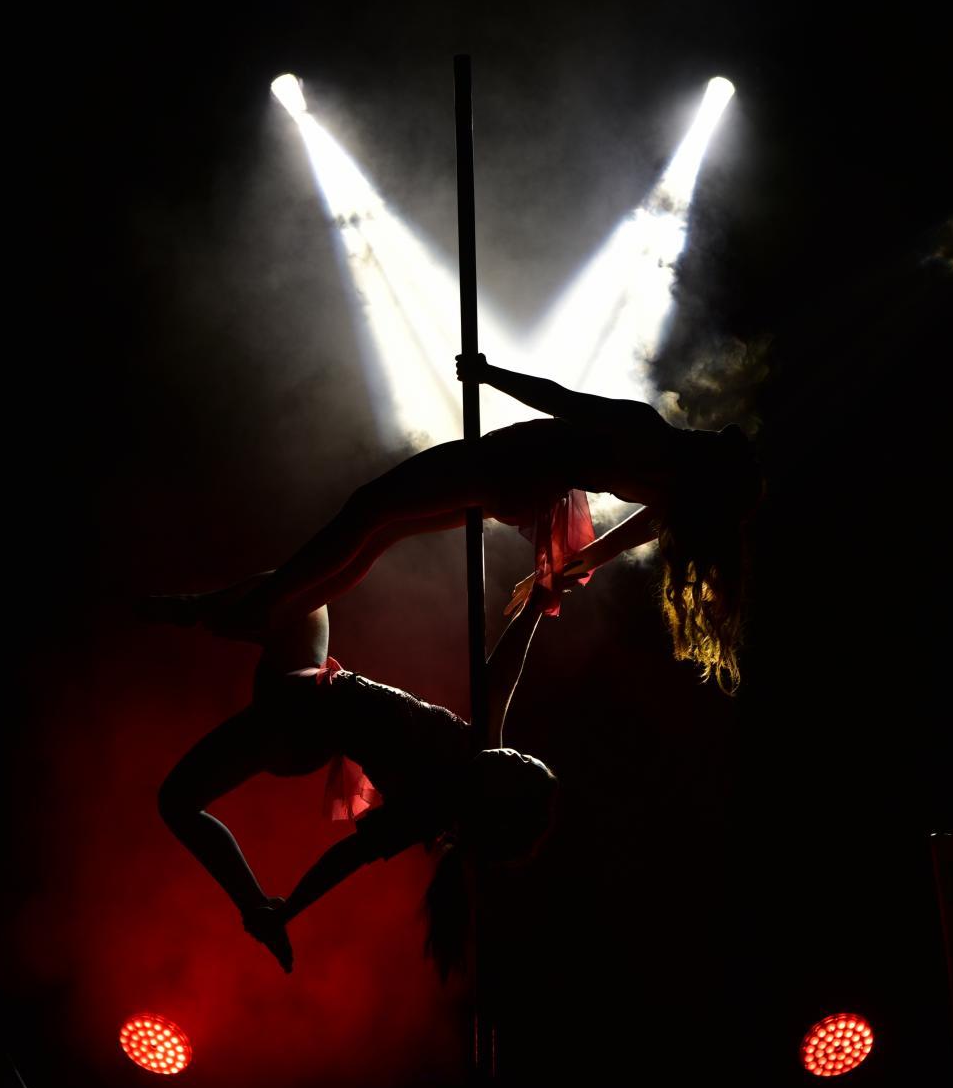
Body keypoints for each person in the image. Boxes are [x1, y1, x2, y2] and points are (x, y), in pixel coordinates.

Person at [142, 354, 763, 692]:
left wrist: (490, 375)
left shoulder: (648, 434)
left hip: (509, 466)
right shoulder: (670, 491)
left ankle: (260, 606)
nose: (713, 431)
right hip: (523, 486)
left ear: (711, 463)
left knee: (369, 506)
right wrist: (580, 560)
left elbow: (562, 401)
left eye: (720, 442)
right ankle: (270, 607)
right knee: (383, 528)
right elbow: (635, 531)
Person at [156, 586, 559, 980]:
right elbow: (502, 675)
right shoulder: (480, 743)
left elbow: (346, 858)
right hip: (309, 677)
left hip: (290, 730)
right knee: (303, 586)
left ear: (496, 798)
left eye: (520, 765)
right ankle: (198, 605)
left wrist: (285, 911)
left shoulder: (426, 809)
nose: (514, 753)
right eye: (525, 756)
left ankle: (252, 904)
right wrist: (534, 607)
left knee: (176, 801)